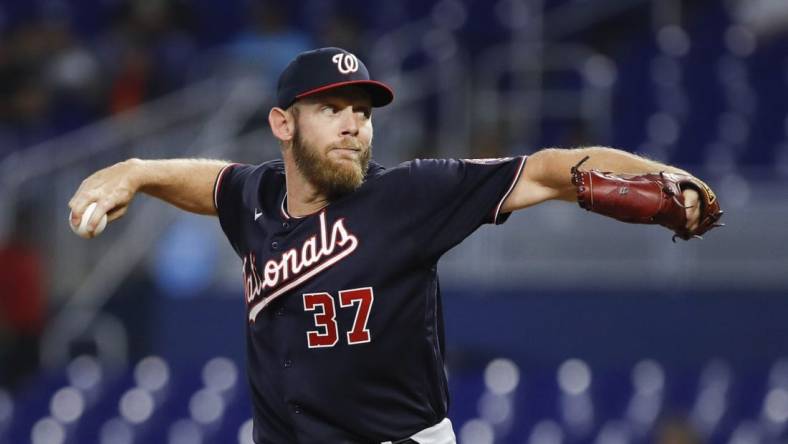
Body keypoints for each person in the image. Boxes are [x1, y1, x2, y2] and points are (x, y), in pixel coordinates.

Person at [68, 47, 721, 444]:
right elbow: (207, 183)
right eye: (333, 108)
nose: (354, 122)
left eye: (364, 109)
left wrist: (659, 178)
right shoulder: (256, 198)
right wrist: (136, 172)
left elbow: (550, 168)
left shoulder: (410, 196)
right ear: (283, 123)